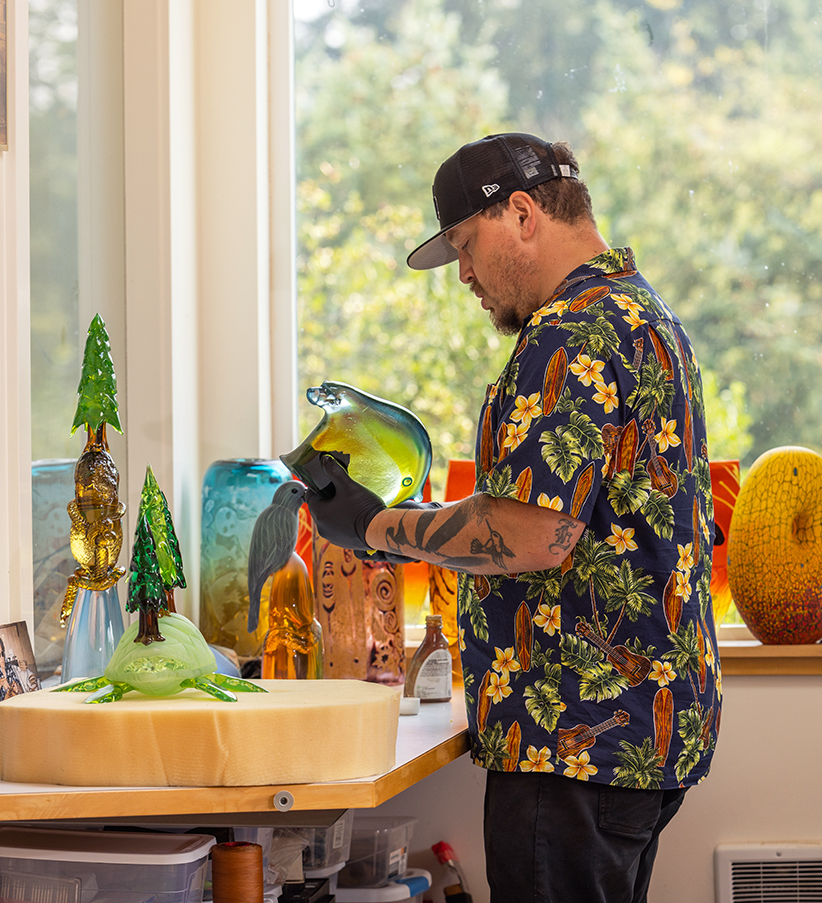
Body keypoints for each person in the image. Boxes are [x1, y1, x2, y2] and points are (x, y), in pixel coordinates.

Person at [305, 133, 721, 903]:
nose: (463, 273)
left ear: (522, 214)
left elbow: (532, 533)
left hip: (573, 736)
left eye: (465, 245)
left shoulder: (570, 335)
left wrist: (374, 528)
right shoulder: (643, 314)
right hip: (644, 729)